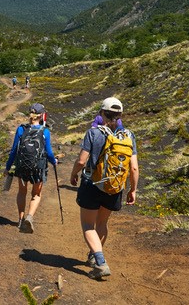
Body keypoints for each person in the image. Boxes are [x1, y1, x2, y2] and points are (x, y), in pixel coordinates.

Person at [70, 97, 139, 280]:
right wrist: (132, 190)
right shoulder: (129, 136)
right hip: (115, 187)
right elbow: (133, 167)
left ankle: (100, 262)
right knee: (102, 223)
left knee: (87, 225)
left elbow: (82, 161)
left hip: (92, 184)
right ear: (120, 115)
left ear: (101, 113)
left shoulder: (93, 133)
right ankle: (94, 256)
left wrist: (73, 173)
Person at [4, 103, 58, 233]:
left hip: (22, 166)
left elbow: (14, 151)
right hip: (38, 168)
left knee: (22, 192)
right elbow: (49, 152)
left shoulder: (21, 129)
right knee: (36, 194)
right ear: (42, 115)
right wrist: (54, 161)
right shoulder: (45, 131)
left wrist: (8, 167)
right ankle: (29, 217)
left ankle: (20, 219)